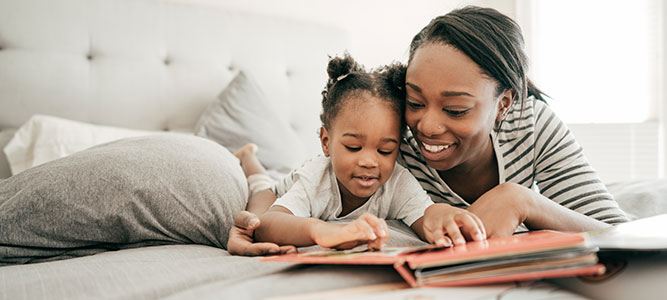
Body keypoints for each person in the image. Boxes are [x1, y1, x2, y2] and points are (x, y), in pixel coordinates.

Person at [227, 6, 628, 256]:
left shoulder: (533, 125)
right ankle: (250, 158)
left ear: (504, 104)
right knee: (267, 177)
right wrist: (256, 222)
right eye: (415, 102)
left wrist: (524, 201)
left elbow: (624, 235)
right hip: (287, 180)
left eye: (455, 109)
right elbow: (309, 191)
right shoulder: (388, 139)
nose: (426, 126)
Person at [230, 54, 486, 253]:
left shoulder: (398, 182)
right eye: (353, 147)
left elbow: (425, 214)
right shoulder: (315, 179)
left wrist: (444, 215)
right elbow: (271, 223)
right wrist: (322, 231)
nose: (368, 162)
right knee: (260, 193)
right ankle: (248, 156)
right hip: (278, 191)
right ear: (326, 142)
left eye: (385, 150)